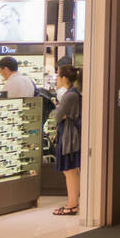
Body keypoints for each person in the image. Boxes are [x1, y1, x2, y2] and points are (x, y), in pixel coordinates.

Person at [52, 66, 82, 216]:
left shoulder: (69, 95)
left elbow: (57, 116)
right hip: (70, 134)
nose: (56, 80)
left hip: (69, 136)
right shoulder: (74, 94)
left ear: (64, 78)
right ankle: (73, 203)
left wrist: (60, 111)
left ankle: (72, 204)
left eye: (58, 76)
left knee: (69, 170)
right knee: (71, 171)